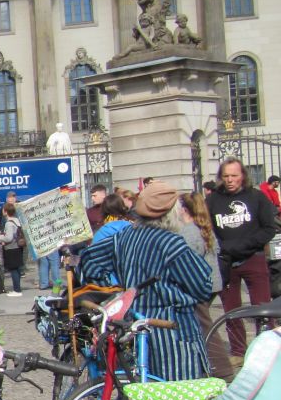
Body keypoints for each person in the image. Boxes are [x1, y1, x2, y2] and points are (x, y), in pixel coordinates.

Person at [81, 180, 212, 380]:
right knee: (178, 397)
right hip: (171, 330)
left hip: (136, 326)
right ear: (171, 213)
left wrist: (115, 286)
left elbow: (89, 260)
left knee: (145, 390)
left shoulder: (124, 236)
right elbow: (202, 287)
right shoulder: (171, 243)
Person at [206, 158, 278, 361]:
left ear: (242, 176)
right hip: (226, 261)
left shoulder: (256, 197)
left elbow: (269, 229)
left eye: (234, 176)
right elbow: (206, 229)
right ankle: (238, 351)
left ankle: (267, 350)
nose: (230, 180)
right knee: (232, 309)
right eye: (226, 176)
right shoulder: (212, 200)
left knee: (262, 306)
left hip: (253, 257)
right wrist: (221, 249)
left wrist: (245, 245)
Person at [179, 192, 234, 380]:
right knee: (200, 325)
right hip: (212, 283)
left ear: (184, 209)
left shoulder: (189, 231)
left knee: (204, 327)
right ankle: (205, 366)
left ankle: (223, 370)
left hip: (200, 286)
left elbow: (187, 261)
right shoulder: (203, 227)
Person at [0, 204, 25, 296]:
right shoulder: (17, 221)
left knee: (13, 270)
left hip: (11, 248)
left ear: (5, 211)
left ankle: (17, 290)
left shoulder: (9, 223)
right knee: (17, 269)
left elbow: (9, 238)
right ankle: (18, 288)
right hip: (18, 247)